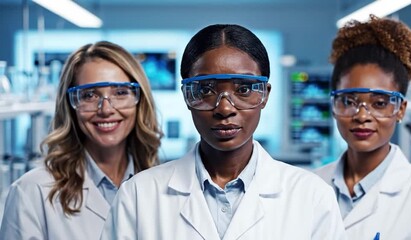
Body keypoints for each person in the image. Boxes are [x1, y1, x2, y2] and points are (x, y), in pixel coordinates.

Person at [101, 24, 346, 240]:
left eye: (244, 89)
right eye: (206, 90)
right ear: (188, 96)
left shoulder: (311, 196)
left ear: (264, 95)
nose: (225, 108)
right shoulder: (138, 196)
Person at [0, 41, 163, 239]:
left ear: (140, 101)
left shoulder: (160, 187)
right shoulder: (32, 192)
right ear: (70, 106)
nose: (106, 109)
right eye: (90, 95)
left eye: (120, 93)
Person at [315, 15, 411, 239]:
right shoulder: (310, 185)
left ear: (401, 109)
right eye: (349, 101)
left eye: (379, 103)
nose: (362, 116)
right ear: (334, 104)